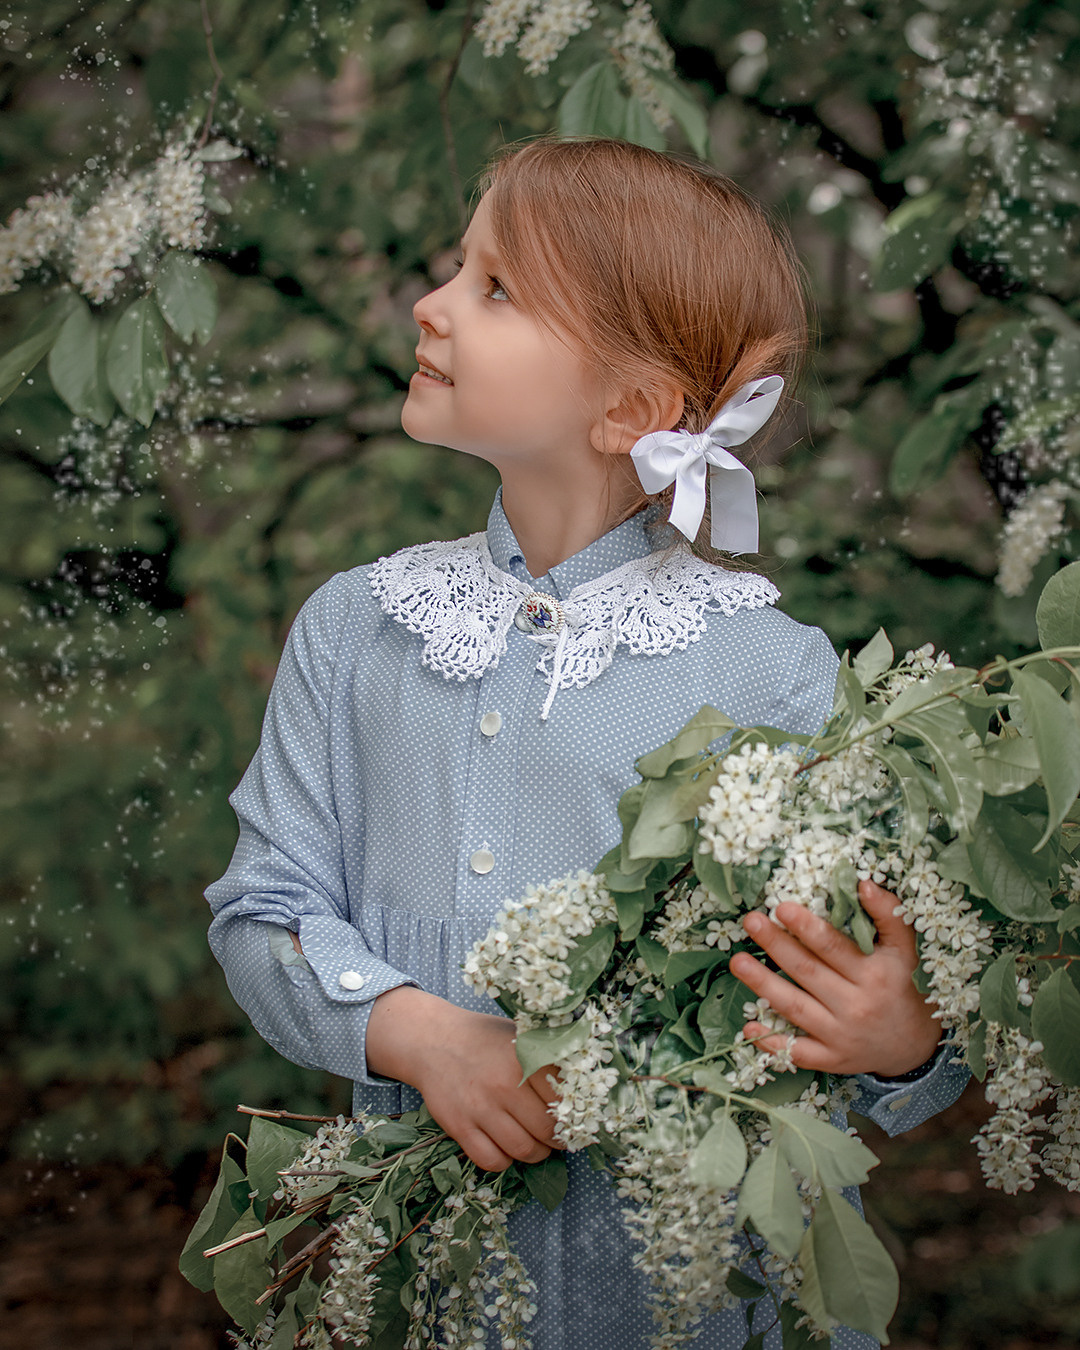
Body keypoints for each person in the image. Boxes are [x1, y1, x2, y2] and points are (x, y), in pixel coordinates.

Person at [206, 137, 968, 1349]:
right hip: (433, 1294)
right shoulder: (359, 629)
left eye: (495, 288)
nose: (432, 304)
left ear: (631, 409)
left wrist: (900, 1036)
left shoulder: (773, 672)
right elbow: (265, 909)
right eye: (460, 268)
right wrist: (428, 1038)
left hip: (703, 1304)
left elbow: (891, 1005)